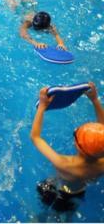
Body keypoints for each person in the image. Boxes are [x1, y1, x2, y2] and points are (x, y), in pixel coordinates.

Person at [32, 82, 104, 211]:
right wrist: (94, 100)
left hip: (56, 190)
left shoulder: (63, 163)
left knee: (43, 210)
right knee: (67, 214)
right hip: (78, 192)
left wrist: (42, 107)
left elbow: (35, 137)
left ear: (77, 146)